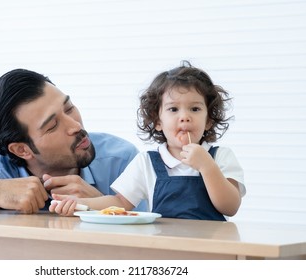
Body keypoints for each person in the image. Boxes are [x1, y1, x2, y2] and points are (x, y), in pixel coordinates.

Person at [0, 69, 140, 214]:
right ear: (22, 149)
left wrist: (106, 207)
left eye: (69, 108)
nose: (76, 126)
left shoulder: (121, 160)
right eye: (52, 126)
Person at [50, 61, 246, 221]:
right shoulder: (147, 162)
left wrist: (207, 166)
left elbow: (230, 207)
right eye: (173, 109)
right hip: (164, 249)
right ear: (157, 121)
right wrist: (81, 205)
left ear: (209, 120)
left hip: (213, 249)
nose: (184, 117)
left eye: (195, 109)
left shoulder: (220, 156)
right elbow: (119, 203)